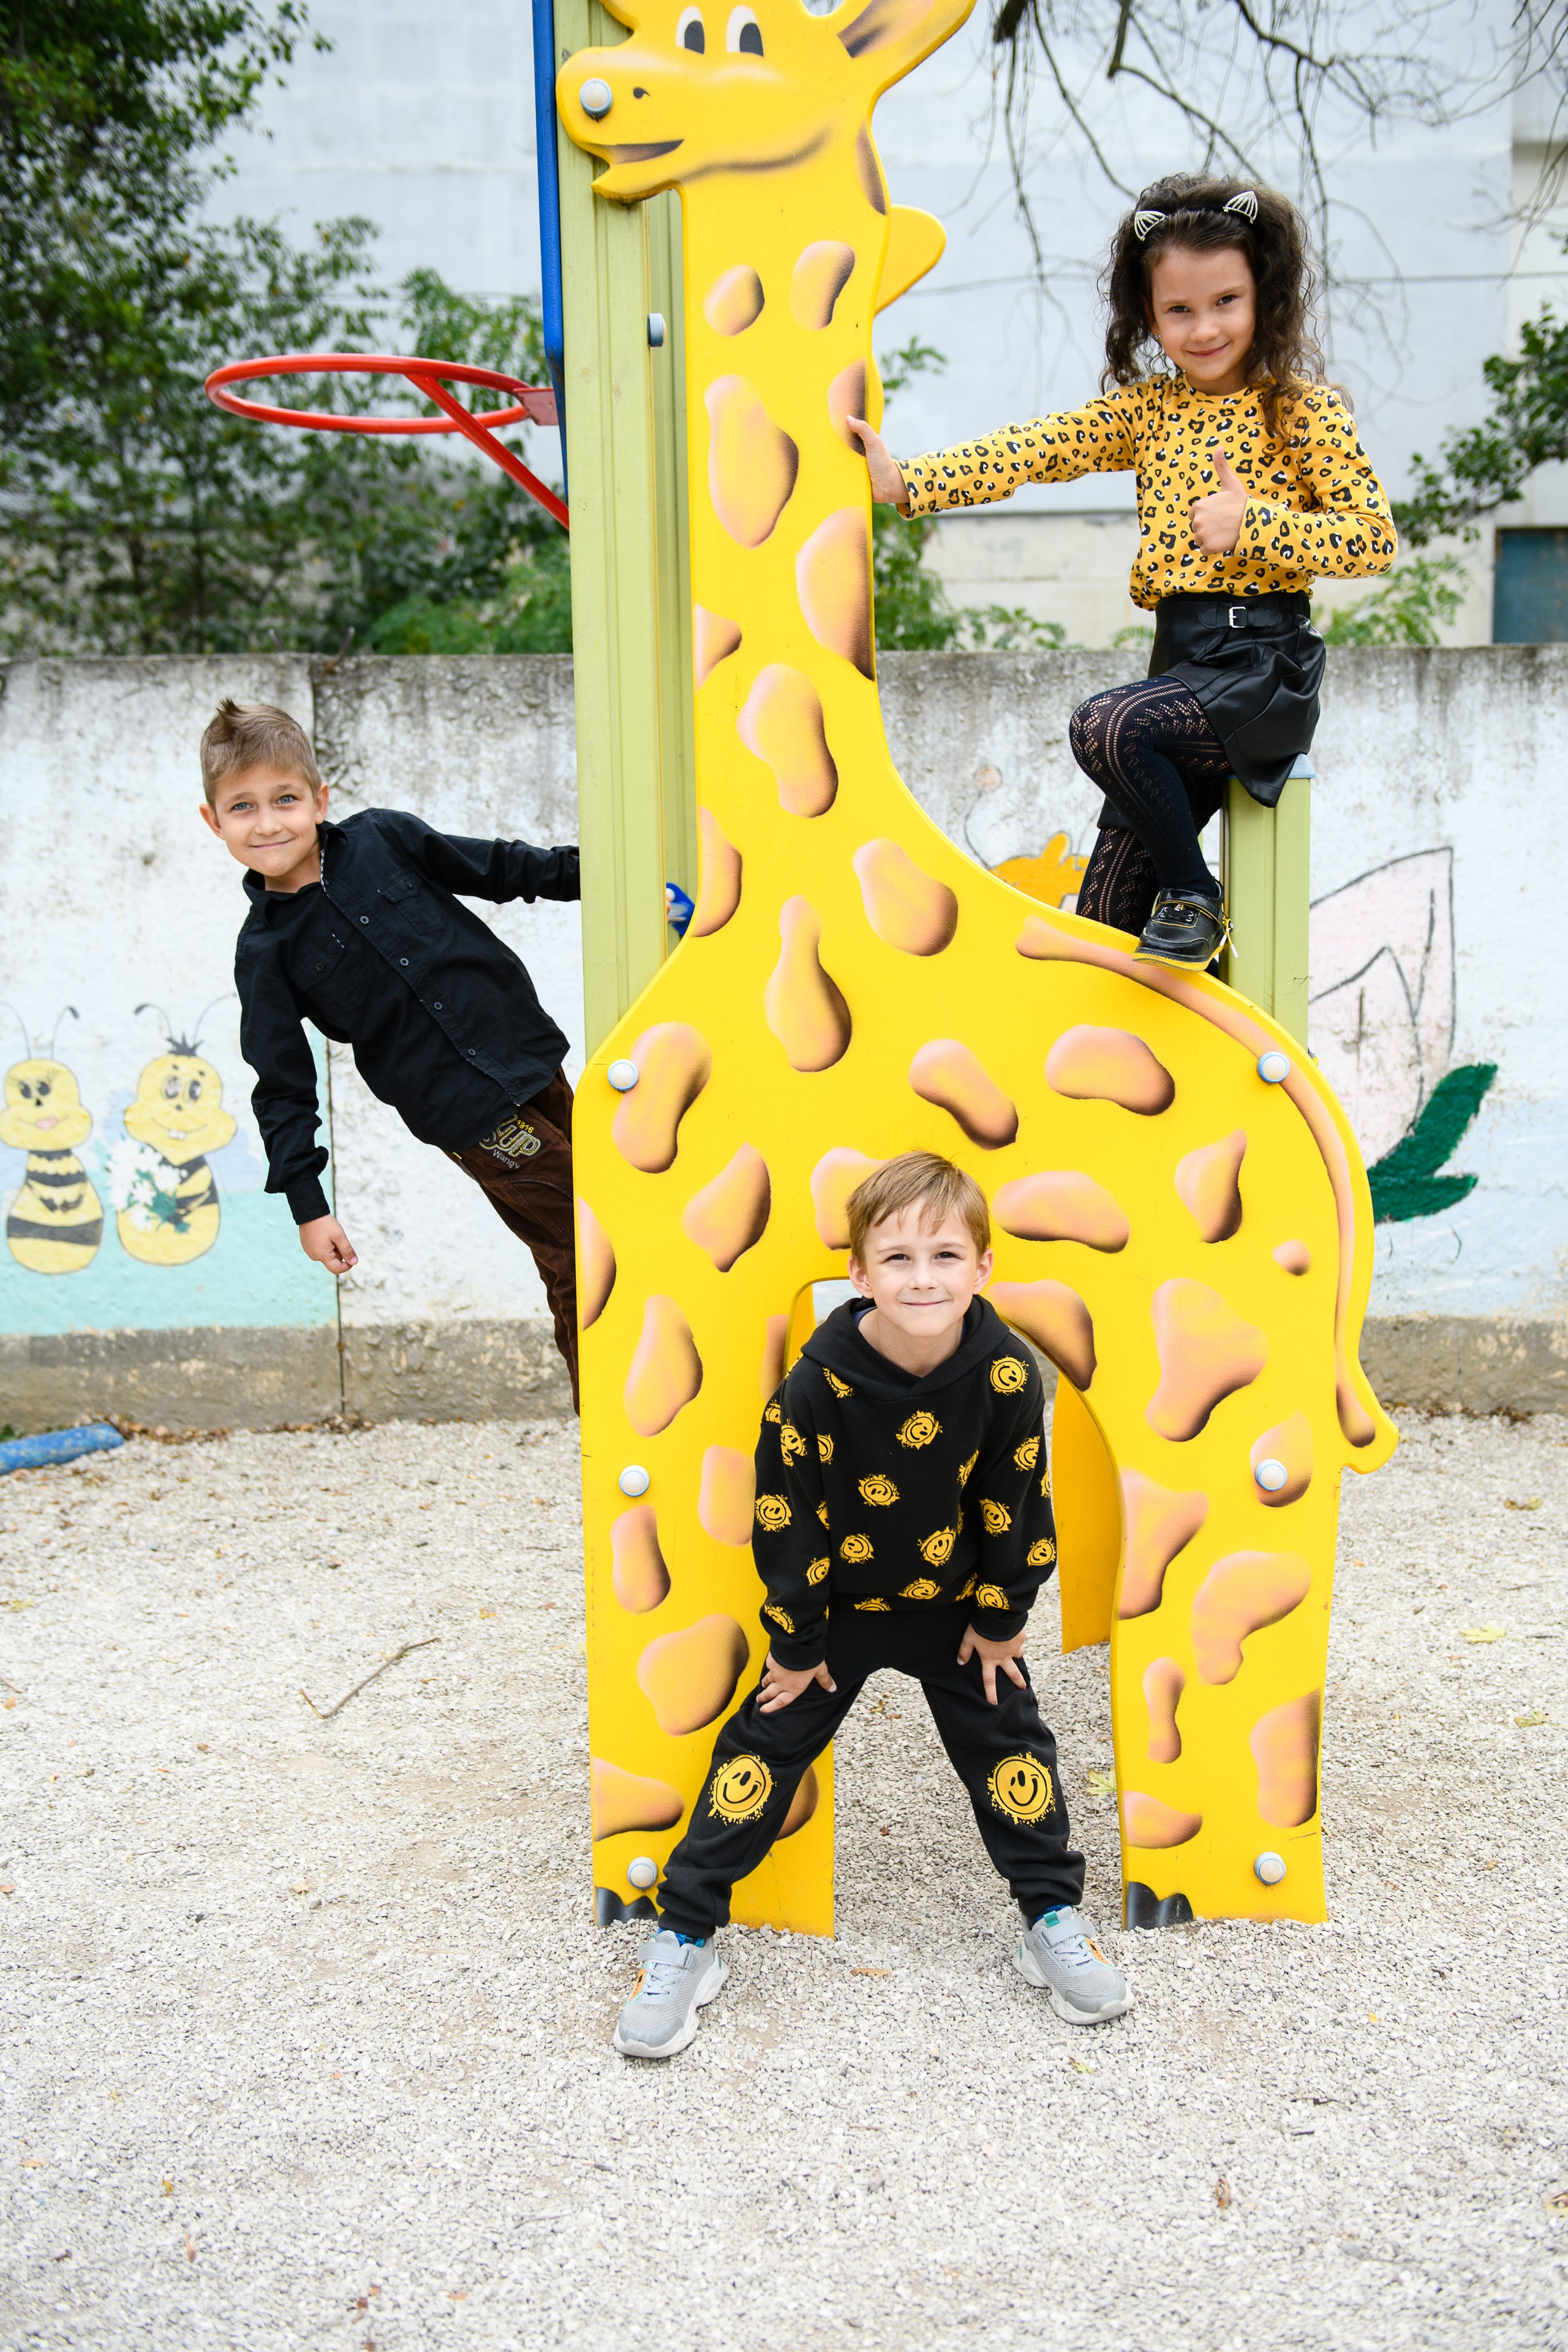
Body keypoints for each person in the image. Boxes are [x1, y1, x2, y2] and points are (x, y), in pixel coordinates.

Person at [613, 1152, 1129, 2060]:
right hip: (839, 1614)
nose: (921, 1278)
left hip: (957, 1609)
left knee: (1012, 1742)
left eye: (944, 1256)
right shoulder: (816, 1387)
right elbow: (786, 1518)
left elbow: (1019, 1500)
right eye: (896, 1258)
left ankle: (1050, 1918)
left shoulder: (1007, 1374)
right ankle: (686, 1935)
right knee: (763, 1750)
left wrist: (1002, 1617)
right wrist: (797, 1640)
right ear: (857, 1274)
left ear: (983, 1267)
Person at [849, 173, 1398, 970]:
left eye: (1226, 303)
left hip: (1259, 670)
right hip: (1175, 675)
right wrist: (911, 483)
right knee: (1105, 926)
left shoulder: (1301, 409)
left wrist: (1256, 526)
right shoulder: (1149, 412)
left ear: (1264, 297)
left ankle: (1196, 899)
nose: (1204, 328)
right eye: (1179, 310)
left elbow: (1371, 539)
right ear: (1150, 316)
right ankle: (1193, 1003)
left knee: (1102, 725)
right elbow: (1034, 450)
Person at [198, 698, 584, 1407]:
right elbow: (282, 1089)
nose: (269, 822)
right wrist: (310, 1207)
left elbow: (500, 869)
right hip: (471, 1119)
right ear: (213, 821)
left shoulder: (384, 839)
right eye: (243, 807)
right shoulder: (264, 955)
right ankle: (622, 1417)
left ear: (318, 798)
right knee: (591, 1234)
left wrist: (605, 879)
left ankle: (633, 1411)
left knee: (587, 1236)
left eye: (284, 798)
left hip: (531, 1055)